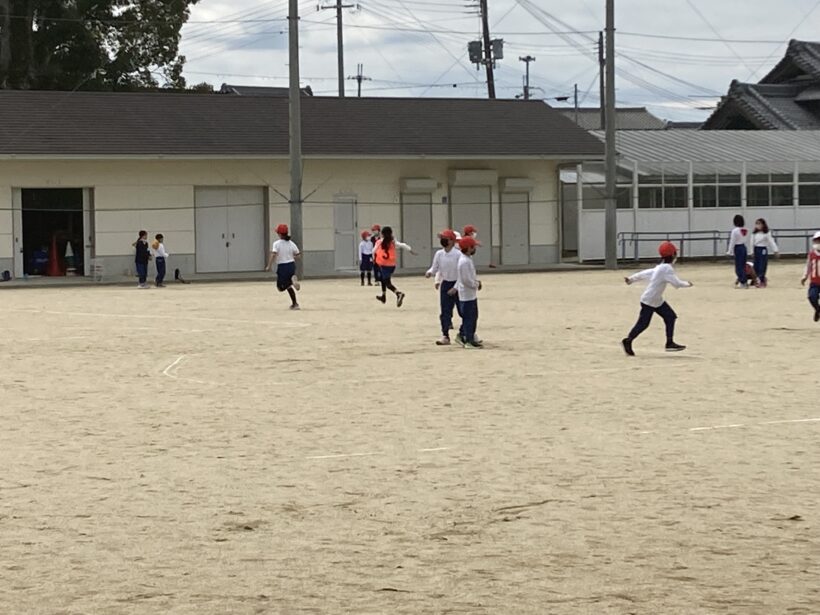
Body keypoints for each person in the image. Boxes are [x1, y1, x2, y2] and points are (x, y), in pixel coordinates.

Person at [622, 241, 693, 356]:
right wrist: (687, 284)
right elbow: (676, 283)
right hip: (650, 300)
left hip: (656, 300)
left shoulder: (661, 267)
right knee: (643, 324)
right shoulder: (666, 269)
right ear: (673, 254)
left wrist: (631, 279)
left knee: (670, 317)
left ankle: (669, 343)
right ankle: (628, 340)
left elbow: (645, 273)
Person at [426, 229, 463, 346]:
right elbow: (435, 267)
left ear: (452, 241)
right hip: (446, 283)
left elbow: (462, 273)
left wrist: (456, 287)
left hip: (458, 284)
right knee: (445, 312)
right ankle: (445, 335)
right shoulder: (439, 254)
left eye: (445, 238)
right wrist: (430, 272)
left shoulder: (458, 254)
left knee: (463, 311)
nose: (442, 241)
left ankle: (466, 333)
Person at [450, 235, 482, 348]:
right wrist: (476, 284)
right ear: (469, 248)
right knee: (469, 318)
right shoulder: (464, 262)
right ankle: (468, 340)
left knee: (472, 317)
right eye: (473, 247)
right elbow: (466, 280)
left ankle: (468, 337)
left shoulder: (467, 259)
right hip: (467, 295)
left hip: (470, 294)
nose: (475, 249)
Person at [373, 226, 416, 307]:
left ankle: (398, 293)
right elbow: (402, 245)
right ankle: (383, 296)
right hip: (392, 265)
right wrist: (410, 250)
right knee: (383, 279)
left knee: (387, 282)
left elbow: (373, 251)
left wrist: (373, 259)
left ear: (382, 234)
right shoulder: (393, 242)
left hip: (384, 264)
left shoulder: (379, 242)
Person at [265, 223, 301, 310]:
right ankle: (295, 304)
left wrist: (269, 265)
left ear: (280, 234)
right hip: (291, 265)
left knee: (280, 287)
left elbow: (273, 254)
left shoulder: (276, 244)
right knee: (288, 286)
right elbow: (298, 256)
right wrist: (292, 257)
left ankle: (292, 282)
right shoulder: (292, 244)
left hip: (282, 267)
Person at [751, 218, 779, 288]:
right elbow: (751, 243)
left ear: (763, 225)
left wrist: (775, 250)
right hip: (756, 249)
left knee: (762, 265)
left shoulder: (766, 233)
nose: (758, 225)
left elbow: (771, 241)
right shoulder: (754, 233)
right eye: (756, 223)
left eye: (759, 223)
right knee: (756, 265)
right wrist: (751, 251)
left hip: (763, 249)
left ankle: (762, 279)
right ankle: (756, 279)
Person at [800, 231, 820, 323]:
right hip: (815, 282)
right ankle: (818, 309)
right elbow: (808, 266)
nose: (818, 243)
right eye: (816, 241)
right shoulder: (811, 254)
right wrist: (804, 276)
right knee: (812, 297)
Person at [727, 215, 751, 288]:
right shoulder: (746, 230)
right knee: (743, 265)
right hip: (743, 247)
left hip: (738, 248)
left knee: (738, 267)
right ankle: (744, 281)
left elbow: (732, 241)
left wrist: (729, 251)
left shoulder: (735, 231)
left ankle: (742, 281)